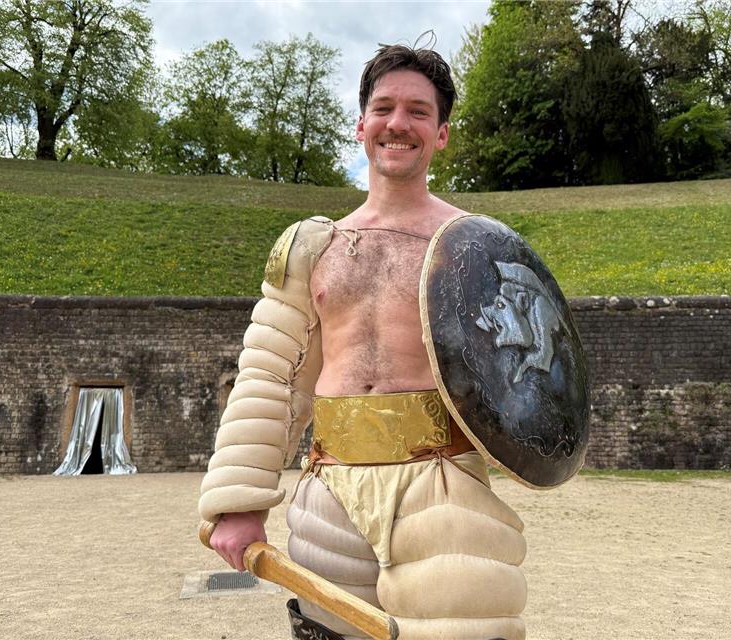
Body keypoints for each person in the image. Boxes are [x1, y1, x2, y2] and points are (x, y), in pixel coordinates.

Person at [197, 41, 586, 640]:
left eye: (418, 111)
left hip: (442, 485)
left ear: (441, 134)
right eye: (383, 108)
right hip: (329, 490)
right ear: (360, 125)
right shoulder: (310, 247)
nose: (397, 124)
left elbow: (530, 366)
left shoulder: (479, 252)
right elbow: (272, 375)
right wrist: (238, 502)